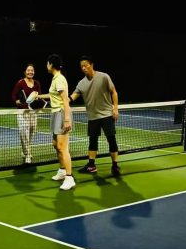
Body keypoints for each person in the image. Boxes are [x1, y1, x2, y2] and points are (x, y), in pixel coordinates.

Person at [70, 55, 121, 176]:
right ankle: (91, 165)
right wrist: (62, 100)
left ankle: (115, 166)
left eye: (85, 65)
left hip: (107, 114)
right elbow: (72, 97)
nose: (83, 68)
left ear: (91, 65)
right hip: (93, 117)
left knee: (111, 140)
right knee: (92, 141)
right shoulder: (81, 83)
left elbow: (114, 92)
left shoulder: (104, 77)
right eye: (81, 66)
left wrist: (115, 108)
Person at [37, 54, 75, 190]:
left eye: (47, 63)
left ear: (51, 64)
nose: (46, 65)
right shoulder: (55, 79)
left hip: (61, 113)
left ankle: (69, 178)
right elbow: (53, 95)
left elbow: (65, 100)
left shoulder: (59, 79)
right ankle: (62, 170)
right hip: (55, 113)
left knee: (62, 147)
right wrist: (38, 96)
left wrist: (67, 119)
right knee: (56, 145)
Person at [11, 63, 42, 164]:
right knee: (24, 133)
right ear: (25, 72)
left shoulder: (37, 83)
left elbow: (39, 96)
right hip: (22, 112)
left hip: (33, 112)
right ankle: (28, 154)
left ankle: (25, 150)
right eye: (28, 70)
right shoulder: (20, 83)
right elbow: (14, 96)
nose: (30, 72)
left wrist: (38, 100)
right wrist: (18, 102)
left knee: (32, 132)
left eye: (32, 70)